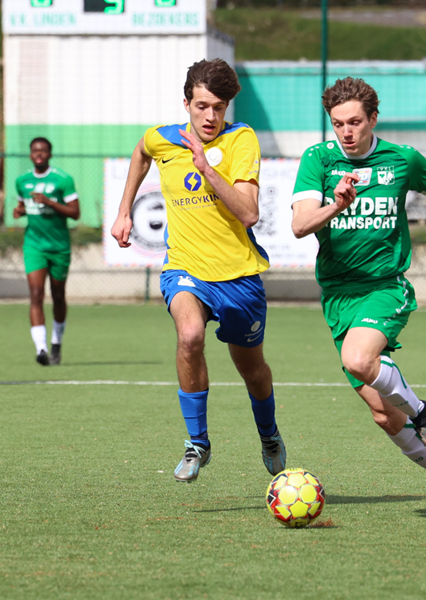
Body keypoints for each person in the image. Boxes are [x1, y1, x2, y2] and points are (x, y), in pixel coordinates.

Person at [291, 77, 426, 517]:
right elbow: (300, 224)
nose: (346, 132)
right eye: (337, 124)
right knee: (384, 415)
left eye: (354, 122)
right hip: (337, 295)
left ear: (372, 119)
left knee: (358, 360)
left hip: (385, 287)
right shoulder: (319, 159)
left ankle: (425, 413)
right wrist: (337, 204)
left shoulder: (402, 160)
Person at [111, 59, 286, 483]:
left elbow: (248, 212)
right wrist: (124, 211)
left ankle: (269, 435)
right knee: (189, 335)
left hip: (239, 277)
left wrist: (207, 168)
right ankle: (197, 444)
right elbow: (141, 151)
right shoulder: (163, 139)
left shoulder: (242, 140)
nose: (210, 117)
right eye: (203, 106)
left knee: (253, 371)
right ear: (186, 103)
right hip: (185, 268)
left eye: (219, 108)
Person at [13, 138, 80, 365]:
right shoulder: (22, 181)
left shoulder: (63, 180)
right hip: (34, 245)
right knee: (36, 294)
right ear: (30, 155)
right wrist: (20, 211)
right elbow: (24, 205)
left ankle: (56, 342)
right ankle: (41, 349)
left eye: (43, 150)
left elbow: (75, 212)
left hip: (59, 247)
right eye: (35, 151)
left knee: (58, 295)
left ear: (49, 154)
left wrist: (50, 203)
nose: (38, 154)